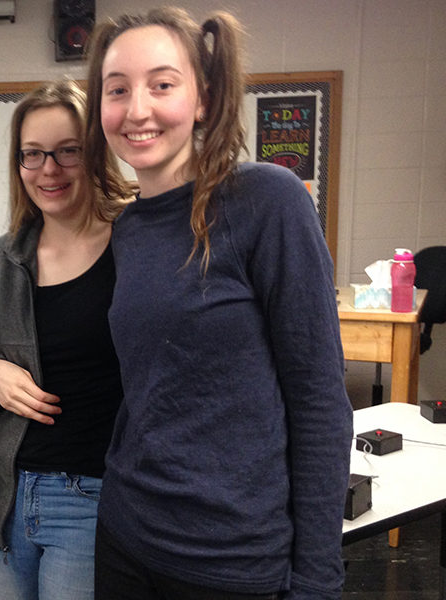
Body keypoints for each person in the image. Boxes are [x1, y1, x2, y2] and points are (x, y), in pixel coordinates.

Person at [84, 7, 353, 599]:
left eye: (162, 84)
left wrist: (316, 578)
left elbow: (318, 400)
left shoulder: (265, 200)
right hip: (128, 536)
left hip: (233, 557)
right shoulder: (128, 229)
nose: (137, 110)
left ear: (202, 98)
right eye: (117, 90)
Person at [0, 79, 132, 600]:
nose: (48, 171)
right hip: (6, 495)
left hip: (95, 493)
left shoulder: (136, 243)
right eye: (32, 155)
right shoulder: (2, 258)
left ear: (96, 153)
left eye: (67, 152)